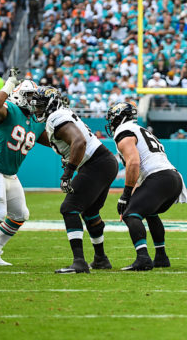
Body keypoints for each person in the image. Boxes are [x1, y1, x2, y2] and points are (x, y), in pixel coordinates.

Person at [31, 87, 118, 274]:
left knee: (69, 208)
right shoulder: (59, 116)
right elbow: (55, 140)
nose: (37, 109)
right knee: (91, 213)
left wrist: (68, 172)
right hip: (104, 162)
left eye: (40, 105)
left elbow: (79, 141)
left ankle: (79, 262)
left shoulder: (57, 117)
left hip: (96, 163)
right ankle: (101, 259)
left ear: (51, 104)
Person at [105, 102, 187, 271]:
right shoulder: (142, 130)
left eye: (113, 119)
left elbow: (134, 162)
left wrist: (126, 195)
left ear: (120, 118)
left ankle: (143, 258)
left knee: (130, 214)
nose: (112, 124)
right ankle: (161, 256)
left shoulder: (124, 131)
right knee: (150, 213)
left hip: (159, 177)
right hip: (173, 178)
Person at [0, 71, 47, 266]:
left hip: (9, 173)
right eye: (30, 97)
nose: (34, 101)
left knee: (19, 215)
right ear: (18, 95)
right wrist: (9, 84)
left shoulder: (35, 122)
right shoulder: (10, 110)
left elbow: (53, 141)